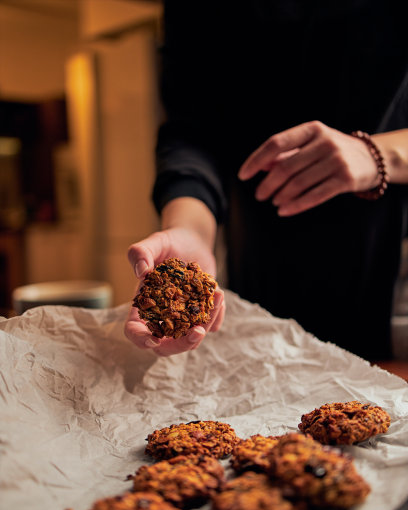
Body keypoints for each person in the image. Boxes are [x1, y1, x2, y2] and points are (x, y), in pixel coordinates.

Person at [125, 1, 408, 360]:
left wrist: (378, 154)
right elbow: (191, 131)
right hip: (260, 267)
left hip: (390, 271)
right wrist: (191, 231)